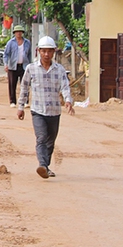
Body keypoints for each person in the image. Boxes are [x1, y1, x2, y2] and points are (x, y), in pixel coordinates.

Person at [17, 36, 74, 179]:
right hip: (38, 110)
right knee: (41, 138)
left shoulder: (59, 70)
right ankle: (42, 165)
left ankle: (46, 167)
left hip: (54, 111)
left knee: (50, 141)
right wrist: (21, 106)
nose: (46, 55)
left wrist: (68, 100)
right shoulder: (31, 69)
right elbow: (24, 88)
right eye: (44, 51)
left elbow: (65, 86)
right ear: (38, 51)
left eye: (49, 51)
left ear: (54, 52)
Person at [4, 25, 32, 108]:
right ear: (14, 33)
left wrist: (30, 64)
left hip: (24, 66)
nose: (19, 33)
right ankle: (12, 101)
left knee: (25, 84)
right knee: (12, 84)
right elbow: (6, 54)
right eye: (17, 32)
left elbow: (29, 54)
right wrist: (6, 64)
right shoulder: (10, 42)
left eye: (20, 32)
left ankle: (25, 101)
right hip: (12, 66)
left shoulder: (27, 42)